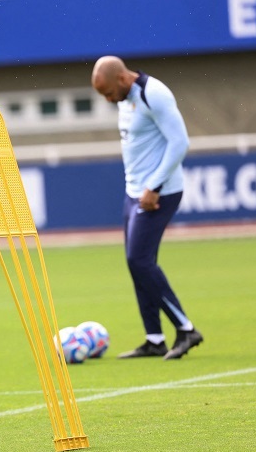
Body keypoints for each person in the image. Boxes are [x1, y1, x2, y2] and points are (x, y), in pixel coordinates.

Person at [91, 55, 203, 361]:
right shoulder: (124, 98)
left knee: (139, 261)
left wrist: (153, 186)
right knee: (137, 263)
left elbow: (179, 143)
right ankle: (155, 338)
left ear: (123, 79)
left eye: (108, 93)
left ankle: (186, 328)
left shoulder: (154, 94)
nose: (107, 100)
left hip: (158, 193)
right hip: (134, 194)